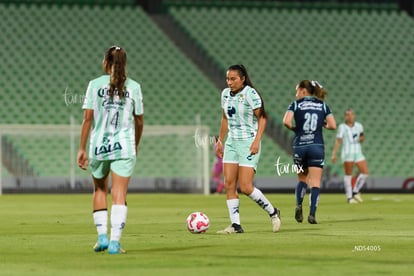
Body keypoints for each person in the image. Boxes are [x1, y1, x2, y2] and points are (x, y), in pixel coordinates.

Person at [77, 46, 144, 254]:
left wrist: (81, 148)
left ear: (105, 62)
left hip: (98, 145)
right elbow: (139, 120)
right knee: (119, 192)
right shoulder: (134, 87)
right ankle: (115, 242)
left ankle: (102, 238)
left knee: (99, 190)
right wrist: (136, 143)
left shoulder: (94, 85)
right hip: (124, 145)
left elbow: (87, 119)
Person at [215, 64, 281, 234]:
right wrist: (220, 141)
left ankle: (273, 212)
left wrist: (256, 141)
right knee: (229, 184)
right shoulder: (224, 94)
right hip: (232, 143)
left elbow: (263, 118)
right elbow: (224, 119)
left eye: (233, 79)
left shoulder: (250, 94)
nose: (229, 82)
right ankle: (236, 225)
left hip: (248, 142)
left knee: (245, 186)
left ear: (243, 79)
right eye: (227, 79)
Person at [283, 80, 336, 224]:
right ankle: (312, 214)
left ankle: (299, 205)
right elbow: (333, 125)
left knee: (302, 179)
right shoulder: (322, 105)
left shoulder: (295, 104)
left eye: (297, 91)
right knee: (316, 182)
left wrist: (295, 129)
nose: (296, 94)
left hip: (300, 145)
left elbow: (286, 122)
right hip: (316, 146)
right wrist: (322, 123)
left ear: (303, 91)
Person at [331, 109, 368, 203]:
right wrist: (334, 154)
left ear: (354, 115)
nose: (350, 116)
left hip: (358, 152)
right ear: (345, 117)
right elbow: (338, 140)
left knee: (365, 172)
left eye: (351, 114)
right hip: (348, 153)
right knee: (348, 175)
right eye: (347, 115)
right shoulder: (342, 127)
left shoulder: (359, 126)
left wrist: (361, 139)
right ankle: (349, 197)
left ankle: (355, 191)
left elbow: (362, 137)